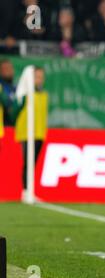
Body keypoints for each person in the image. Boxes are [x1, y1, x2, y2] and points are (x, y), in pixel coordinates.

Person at [14, 67, 48, 202]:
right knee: (28, 162)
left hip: (40, 133)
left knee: (33, 163)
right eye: (37, 76)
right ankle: (26, 191)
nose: (39, 79)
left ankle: (30, 190)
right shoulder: (24, 95)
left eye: (41, 76)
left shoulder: (44, 95)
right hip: (26, 133)